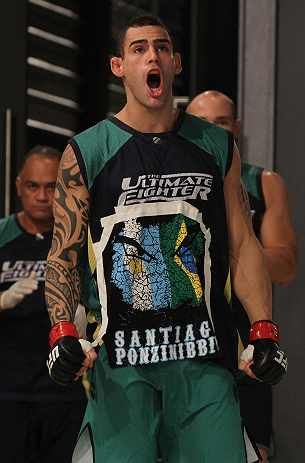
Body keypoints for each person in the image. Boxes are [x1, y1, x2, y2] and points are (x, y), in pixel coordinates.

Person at [45, 15, 288, 463]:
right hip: (121, 363)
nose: (151, 55)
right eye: (138, 48)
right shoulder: (86, 150)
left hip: (203, 359)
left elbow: (242, 243)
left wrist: (263, 329)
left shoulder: (217, 145)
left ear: (175, 63)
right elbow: (63, 253)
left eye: (161, 47)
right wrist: (61, 332)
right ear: (119, 67)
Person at [187, 90, 298, 462]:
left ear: (235, 128)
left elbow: (285, 267)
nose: (211, 130)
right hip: (186, 345)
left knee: (254, 454)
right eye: (201, 121)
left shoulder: (262, 182)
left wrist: (236, 246)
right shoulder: (170, 180)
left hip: (246, 346)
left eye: (220, 122)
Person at [0, 146, 88, 463]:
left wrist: (86, 324)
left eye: (51, 187)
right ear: (19, 186)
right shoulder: (2, 236)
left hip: (65, 391)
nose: (41, 196)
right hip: (8, 391)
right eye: (33, 186)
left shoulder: (79, 242)